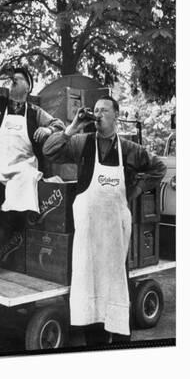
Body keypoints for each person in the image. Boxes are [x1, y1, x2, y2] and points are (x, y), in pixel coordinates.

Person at [43, 96, 166, 345]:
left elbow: (158, 168)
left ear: (116, 115)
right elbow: (49, 151)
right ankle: (96, 345)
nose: (98, 114)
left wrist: (136, 190)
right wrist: (72, 127)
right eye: (95, 110)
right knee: (91, 292)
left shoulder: (130, 150)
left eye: (104, 110)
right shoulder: (81, 143)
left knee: (116, 289)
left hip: (114, 238)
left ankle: (121, 341)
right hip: (89, 239)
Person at [0, 63, 65, 277]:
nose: (13, 81)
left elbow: (60, 126)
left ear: (28, 87)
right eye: (11, 78)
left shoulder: (36, 113)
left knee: (20, 211)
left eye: (18, 78)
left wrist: (47, 129)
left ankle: (19, 257)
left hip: (22, 168)